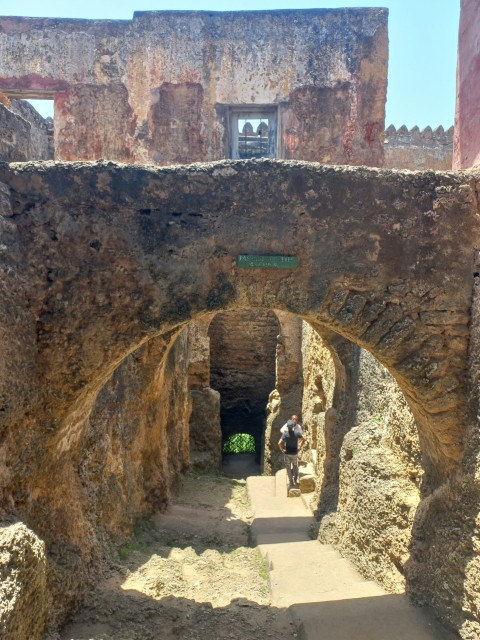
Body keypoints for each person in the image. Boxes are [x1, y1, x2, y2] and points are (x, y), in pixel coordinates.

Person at [278, 414, 304, 488]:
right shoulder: (295, 432)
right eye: (293, 419)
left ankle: (291, 481)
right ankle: (294, 480)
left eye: (296, 419)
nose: (294, 420)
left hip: (288, 452)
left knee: (289, 467)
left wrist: (282, 449)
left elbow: (279, 443)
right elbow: (302, 437)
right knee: (295, 466)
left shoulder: (287, 433)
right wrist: (300, 446)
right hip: (295, 452)